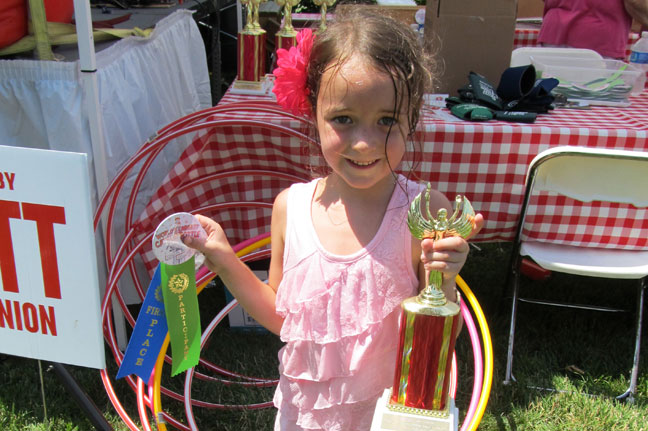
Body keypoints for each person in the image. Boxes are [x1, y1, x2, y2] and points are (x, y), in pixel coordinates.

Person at [182, 9, 484, 431]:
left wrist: (445, 278)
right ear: (314, 113)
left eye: (386, 121)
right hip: (304, 416)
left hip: (387, 418)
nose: (364, 142)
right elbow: (282, 318)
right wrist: (223, 259)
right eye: (344, 119)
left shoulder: (422, 211)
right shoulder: (290, 208)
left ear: (411, 118)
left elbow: (436, 342)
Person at [538, 0, 648, 59]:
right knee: (594, 96)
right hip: (598, 38)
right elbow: (635, 2)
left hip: (554, 31)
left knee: (552, 93)